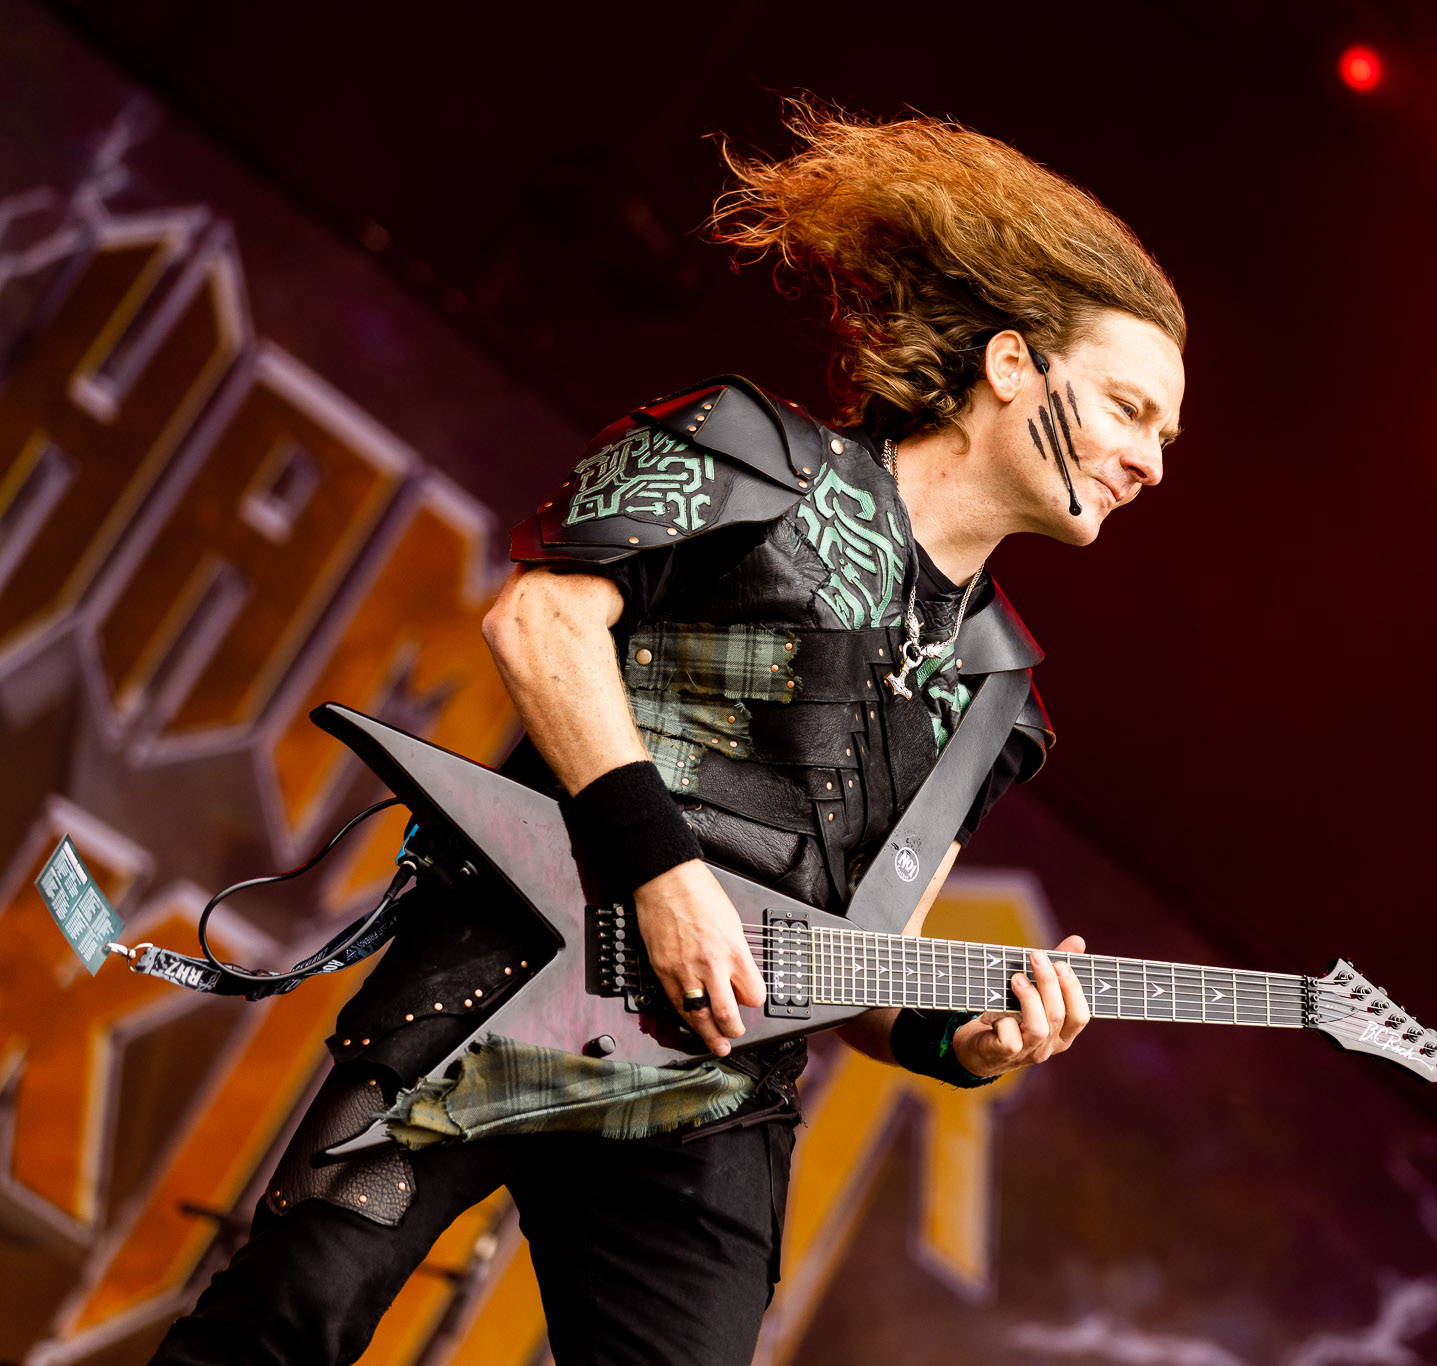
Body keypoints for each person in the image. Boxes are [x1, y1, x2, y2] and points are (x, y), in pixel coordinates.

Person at [151, 99, 1185, 1366]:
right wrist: (661, 871)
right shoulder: (749, 451)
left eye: (1164, 435)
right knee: (282, 1323)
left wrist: (959, 1041)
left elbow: (859, 965)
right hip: (505, 972)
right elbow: (541, 622)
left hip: (708, 1092)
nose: (1150, 460)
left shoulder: (997, 699)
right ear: (1011, 364)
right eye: (1129, 409)